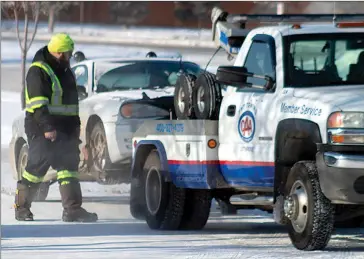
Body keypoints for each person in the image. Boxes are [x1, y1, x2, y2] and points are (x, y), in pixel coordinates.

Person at [14, 33, 98, 222]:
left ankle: (73, 210)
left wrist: (75, 128)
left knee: (68, 168)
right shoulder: (39, 71)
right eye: (68, 53)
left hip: (66, 129)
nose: (70, 56)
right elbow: (38, 104)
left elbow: (71, 103)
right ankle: (20, 207)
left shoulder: (64, 69)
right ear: (59, 52)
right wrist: (47, 128)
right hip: (42, 128)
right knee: (35, 169)